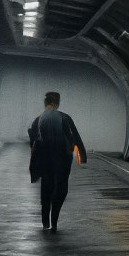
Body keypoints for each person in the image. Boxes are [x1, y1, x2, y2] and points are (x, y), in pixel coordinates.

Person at [28, 90, 87, 232]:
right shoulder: (64, 117)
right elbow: (74, 136)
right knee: (61, 189)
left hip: (45, 161)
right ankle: (54, 221)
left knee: (46, 188)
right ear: (57, 103)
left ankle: (45, 222)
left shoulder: (39, 119)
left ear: (46, 103)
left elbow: (33, 141)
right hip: (62, 161)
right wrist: (82, 156)